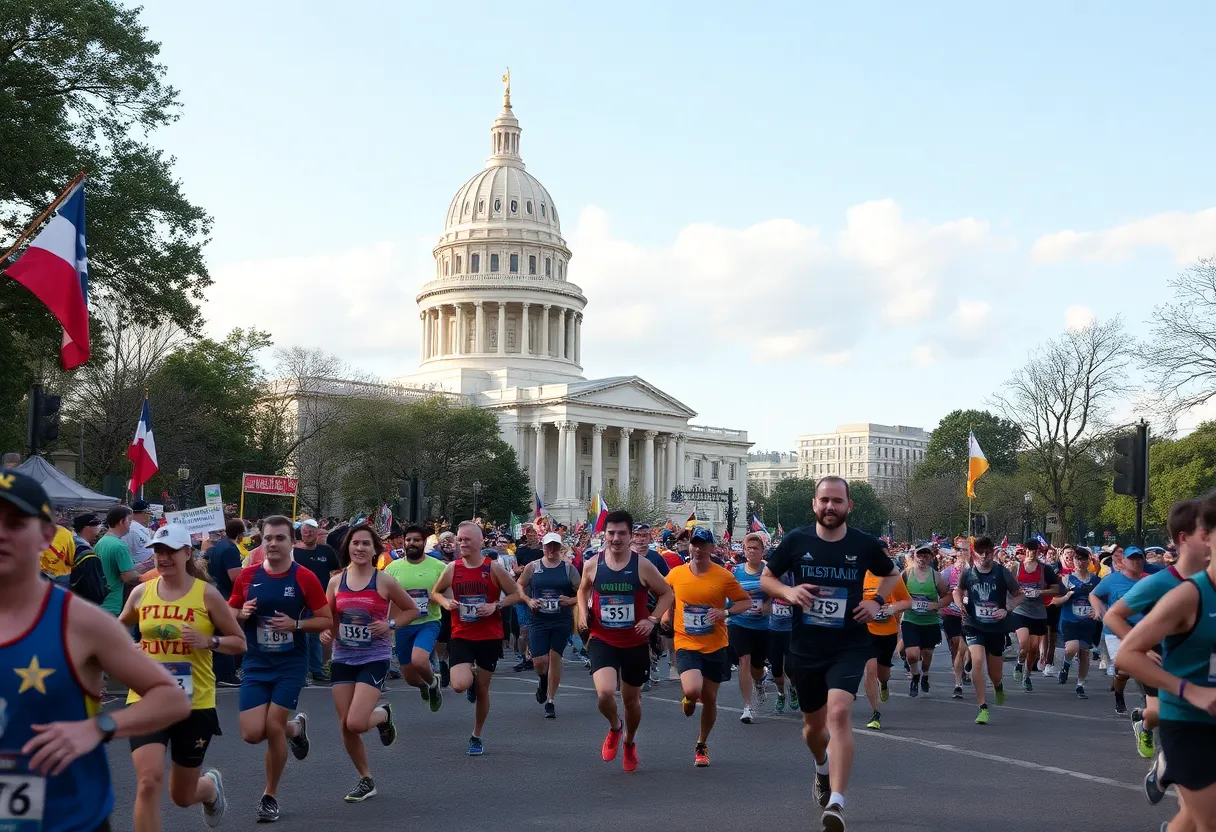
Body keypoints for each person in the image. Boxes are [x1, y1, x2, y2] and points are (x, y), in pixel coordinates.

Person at [0, 470, 191, 830]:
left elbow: (172, 697)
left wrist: (97, 727)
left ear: (46, 536)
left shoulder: (80, 622)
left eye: (14, 522)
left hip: (70, 820)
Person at [761, 477, 899, 832]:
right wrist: (788, 593)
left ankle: (837, 802)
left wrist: (876, 601)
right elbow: (767, 578)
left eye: (837, 501)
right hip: (805, 647)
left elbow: (892, 574)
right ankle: (822, 767)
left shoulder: (864, 544)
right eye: (824, 500)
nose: (830, 507)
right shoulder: (796, 540)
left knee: (839, 713)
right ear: (814, 504)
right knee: (812, 729)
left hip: (849, 644)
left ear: (848, 506)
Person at [121, 523, 247, 830]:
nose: (163, 558)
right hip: (147, 698)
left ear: (186, 553)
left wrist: (210, 641)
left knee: (181, 795)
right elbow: (115, 630)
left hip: (194, 703)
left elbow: (239, 642)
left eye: (170, 552)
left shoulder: (208, 595)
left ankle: (209, 788)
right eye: (158, 552)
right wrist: (129, 648)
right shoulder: (141, 592)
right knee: (148, 780)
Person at [229, 515, 333, 822]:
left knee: (272, 726)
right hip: (256, 662)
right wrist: (241, 612)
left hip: (290, 663)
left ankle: (269, 796)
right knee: (251, 733)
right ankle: (296, 728)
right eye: (268, 539)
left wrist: (296, 624)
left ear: (292, 542)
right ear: (261, 542)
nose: (273, 543)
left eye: (280, 538)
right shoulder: (246, 576)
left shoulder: (305, 577)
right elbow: (229, 610)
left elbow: (326, 619)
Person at [1105, 498, 1212, 790]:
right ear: (1184, 538)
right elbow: (1113, 616)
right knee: (1166, 713)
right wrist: (1139, 646)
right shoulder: (1161, 582)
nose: (1208, 538)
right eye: (1205, 531)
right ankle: (1164, 755)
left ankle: (1149, 731)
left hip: (1197, 672)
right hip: (1159, 661)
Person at [1116, 532, 1216, 832]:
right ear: (1207, 538)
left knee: (1191, 819)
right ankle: (1163, 758)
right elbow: (1126, 651)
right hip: (1188, 719)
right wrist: (1190, 690)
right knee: (1209, 821)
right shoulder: (1186, 593)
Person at [320, 524, 420, 802]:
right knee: (345, 725)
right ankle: (366, 779)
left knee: (356, 722)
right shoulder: (336, 582)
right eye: (355, 543)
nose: (360, 548)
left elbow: (412, 609)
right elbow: (328, 616)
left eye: (366, 544)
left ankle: (383, 715)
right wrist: (325, 630)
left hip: (374, 658)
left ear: (375, 549)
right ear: (347, 548)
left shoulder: (384, 581)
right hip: (343, 657)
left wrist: (389, 624)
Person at [576, 509, 674, 773]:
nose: (616, 538)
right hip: (602, 638)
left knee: (631, 701)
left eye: (621, 533)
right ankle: (615, 727)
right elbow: (583, 588)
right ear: (604, 535)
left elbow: (667, 594)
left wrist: (652, 619)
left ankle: (630, 742)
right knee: (605, 692)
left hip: (634, 642)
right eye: (611, 533)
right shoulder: (592, 564)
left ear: (631, 536)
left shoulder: (642, 566)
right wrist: (584, 613)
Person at [430, 521, 522, 755]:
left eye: (467, 540)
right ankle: (468, 678)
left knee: (482, 690)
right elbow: (435, 592)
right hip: (462, 633)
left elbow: (516, 594)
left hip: (489, 636)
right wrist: (445, 602)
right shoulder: (452, 568)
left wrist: (496, 605)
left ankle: (476, 735)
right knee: (459, 685)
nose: (462, 544)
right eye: (460, 540)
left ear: (481, 542)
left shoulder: (493, 568)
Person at [665, 526, 752, 765]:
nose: (698, 549)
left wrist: (724, 612)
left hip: (715, 644)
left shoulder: (723, 575)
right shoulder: (676, 573)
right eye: (695, 544)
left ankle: (701, 745)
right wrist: (664, 615)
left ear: (712, 549)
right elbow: (664, 592)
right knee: (693, 689)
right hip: (686, 640)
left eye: (704, 545)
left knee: (711, 699)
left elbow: (745, 602)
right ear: (689, 547)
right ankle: (690, 698)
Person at [953, 536, 1023, 725]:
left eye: (988, 552)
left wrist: (1006, 608)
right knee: (977, 661)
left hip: (996, 626)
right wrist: (960, 604)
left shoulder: (1002, 572)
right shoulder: (968, 573)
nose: (984, 556)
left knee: (995, 674)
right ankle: (982, 707)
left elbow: (1019, 595)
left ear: (993, 552)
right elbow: (957, 591)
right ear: (974, 554)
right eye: (980, 552)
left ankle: (998, 686)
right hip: (973, 624)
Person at [518, 531, 581, 717]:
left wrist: (570, 601)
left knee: (555, 658)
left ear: (560, 548)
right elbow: (520, 586)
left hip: (561, 619)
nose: (551, 550)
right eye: (548, 546)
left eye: (555, 546)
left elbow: (583, 592)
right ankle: (543, 680)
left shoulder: (568, 569)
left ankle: (551, 701)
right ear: (543, 547)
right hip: (539, 619)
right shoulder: (533, 566)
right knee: (539, 662)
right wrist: (528, 601)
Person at [384, 523, 446, 710]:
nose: (412, 543)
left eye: (416, 540)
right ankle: (424, 685)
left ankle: (434, 684)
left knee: (420, 659)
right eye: (408, 539)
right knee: (410, 678)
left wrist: (440, 599)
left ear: (424, 542)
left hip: (428, 621)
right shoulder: (393, 567)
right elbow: (385, 598)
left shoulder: (438, 566)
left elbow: (447, 593)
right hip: (403, 625)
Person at [1090, 546, 1148, 715]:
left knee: (1142, 667)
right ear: (1123, 561)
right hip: (1115, 631)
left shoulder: (1149, 581)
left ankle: (1146, 699)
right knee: (1124, 670)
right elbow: (1094, 595)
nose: (1136, 562)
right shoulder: (1111, 580)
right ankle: (1119, 693)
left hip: (1141, 631)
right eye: (1132, 559)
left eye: (1139, 558)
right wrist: (1100, 610)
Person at [862, 565, 912, 730]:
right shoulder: (861, 575)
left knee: (882, 673)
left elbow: (907, 601)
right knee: (870, 670)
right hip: (866, 631)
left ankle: (883, 683)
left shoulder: (892, 577)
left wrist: (893, 608)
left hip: (888, 632)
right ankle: (875, 712)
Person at [729, 533, 771, 723]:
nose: (752, 551)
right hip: (740, 623)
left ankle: (760, 680)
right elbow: (727, 597)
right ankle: (747, 706)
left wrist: (768, 604)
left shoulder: (769, 571)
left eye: (756, 548)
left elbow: (779, 591)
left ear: (762, 551)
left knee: (757, 666)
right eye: (748, 548)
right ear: (743, 551)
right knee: (743, 660)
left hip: (762, 626)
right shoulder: (735, 572)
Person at [1009, 540, 1062, 692]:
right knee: (1024, 644)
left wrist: (1040, 592)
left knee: (1033, 649)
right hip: (1021, 610)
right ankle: (1019, 663)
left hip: (1038, 612)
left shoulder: (1046, 569)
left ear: (1039, 551)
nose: (1032, 552)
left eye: (1035, 550)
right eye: (1029, 549)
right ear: (1025, 550)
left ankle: (1026, 676)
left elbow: (1056, 589)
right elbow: (1008, 588)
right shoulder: (1016, 568)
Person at [292, 518, 340, 684]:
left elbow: (337, 571)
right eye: (305, 532)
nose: (308, 535)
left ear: (317, 533)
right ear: (301, 533)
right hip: (299, 600)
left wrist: (335, 591)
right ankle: (302, 671)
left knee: (316, 636)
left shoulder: (326, 551)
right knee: (300, 636)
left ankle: (317, 670)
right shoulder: (294, 552)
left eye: (311, 532)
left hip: (321, 599)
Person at [900, 543, 950, 698]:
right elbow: (897, 596)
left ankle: (925, 674)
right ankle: (915, 676)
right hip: (910, 620)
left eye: (926, 555)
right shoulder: (906, 574)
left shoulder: (936, 576)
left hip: (930, 622)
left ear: (931, 557)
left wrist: (937, 604)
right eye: (920, 554)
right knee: (912, 655)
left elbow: (948, 596)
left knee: (927, 653)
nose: (923, 558)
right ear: (914, 556)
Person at [1051, 547, 1102, 699]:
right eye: (1077, 559)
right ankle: (1066, 664)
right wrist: (1066, 596)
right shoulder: (1066, 579)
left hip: (1087, 622)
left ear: (1089, 560)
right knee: (1071, 648)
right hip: (1070, 620)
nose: (1080, 562)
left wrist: (1098, 611)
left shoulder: (1096, 581)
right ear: (1073, 561)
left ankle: (1080, 685)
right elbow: (1055, 601)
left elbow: (1103, 600)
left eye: (1083, 558)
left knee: (1084, 652)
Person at [207, 519, 246, 687]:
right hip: (226, 597)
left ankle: (218, 672)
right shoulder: (230, 549)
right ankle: (226, 673)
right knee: (229, 633)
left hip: (217, 593)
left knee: (219, 632)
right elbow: (235, 577)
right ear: (240, 534)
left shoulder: (218, 546)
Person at [98, 505, 139, 616]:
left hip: (100, 602)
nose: (131, 525)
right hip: (113, 604)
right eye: (129, 521)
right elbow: (128, 577)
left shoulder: (101, 542)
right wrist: (146, 576)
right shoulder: (120, 546)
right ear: (122, 522)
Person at [70, 513, 110, 606]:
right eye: (97, 526)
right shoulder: (86, 554)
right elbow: (94, 589)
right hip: (83, 601)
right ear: (88, 528)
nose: (100, 529)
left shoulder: (71, 543)